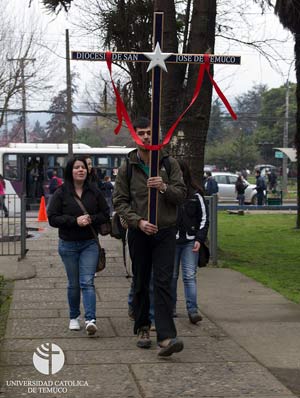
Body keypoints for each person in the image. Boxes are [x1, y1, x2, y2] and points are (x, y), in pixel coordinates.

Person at [113, 116, 187, 357]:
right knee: (141, 280)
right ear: (135, 136)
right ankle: (142, 327)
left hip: (165, 232)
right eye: (141, 132)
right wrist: (138, 222)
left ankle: (166, 337)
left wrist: (164, 187)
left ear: (157, 136)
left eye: (149, 133)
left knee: (164, 282)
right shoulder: (128, 165)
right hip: (139, 232)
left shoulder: (169, 163)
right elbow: (120, 202)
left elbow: (181, 194)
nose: (145, 136)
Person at [47, 157, 110, 336]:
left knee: (87, 281)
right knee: (73, 284)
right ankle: (74, 317)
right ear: (70, 171)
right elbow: (52, 218)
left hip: (89, 243)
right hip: (68, 245)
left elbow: (106, 213)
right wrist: (74, 221)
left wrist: (91, 219)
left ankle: (91, 319)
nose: (81, 170)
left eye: (83, 167)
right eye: (76, 167)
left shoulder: (94, 191)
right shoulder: (61, 193)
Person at [171, 160, 209, 324]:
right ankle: (170, 308)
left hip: (190, 241)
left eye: (180, 171)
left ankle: (192, 310)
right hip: (171, 241)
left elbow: (204, 219)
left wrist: (199, 239)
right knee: (171, 277)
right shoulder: (168, 192)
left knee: (189, 276)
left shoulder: (195, 195)